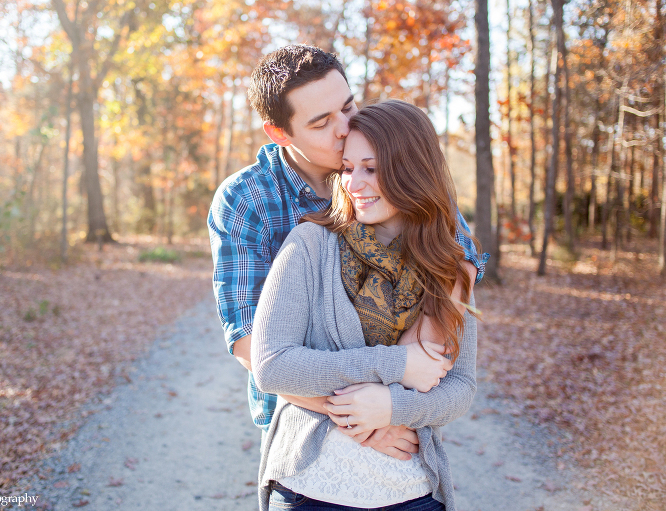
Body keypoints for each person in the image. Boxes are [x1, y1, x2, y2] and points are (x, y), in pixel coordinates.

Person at [207, 45, 486, 461]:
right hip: (304, 425)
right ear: (280, 133)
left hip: (403, 422)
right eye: (321, 122)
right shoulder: (247, 200)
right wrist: (363, 419)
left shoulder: (396, 168)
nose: (345, 127)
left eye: (348, 106)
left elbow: (458, 252)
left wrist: (408, 375)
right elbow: (251, 344)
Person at [251, 99, 481, 511]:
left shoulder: (448, 266)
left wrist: (394, 407)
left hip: (411, 493)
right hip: (311, 491)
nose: (354, 183)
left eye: (371, 168)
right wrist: (395, 364)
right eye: (348, 168)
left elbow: (460, 388)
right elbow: (271, 366)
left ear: (412, 169)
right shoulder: (310, 246)